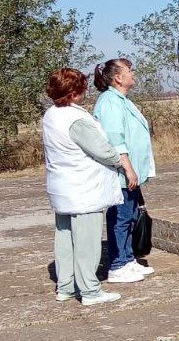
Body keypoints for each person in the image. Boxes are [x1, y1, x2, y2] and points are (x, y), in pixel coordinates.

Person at [42, 68, 136, 306]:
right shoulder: (75, 119)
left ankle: (65, 287)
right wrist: (121, 161)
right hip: (83, 188)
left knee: (65, 239)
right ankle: (90, 291)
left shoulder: (52, 114)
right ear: (74, 92)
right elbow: (101, 150)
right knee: (87, 241)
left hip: (62, 186)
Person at [93, 58, 156, 283]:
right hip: (120, 171)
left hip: (130, 171)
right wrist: (128, 169)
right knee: (120, 217)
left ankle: (128, 260)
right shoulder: (109, 102)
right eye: (129, 71)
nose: (133, 74)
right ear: (118, 77)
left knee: (130, 215)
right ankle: (117, 264)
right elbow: (115, 140)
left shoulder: (121, 100)